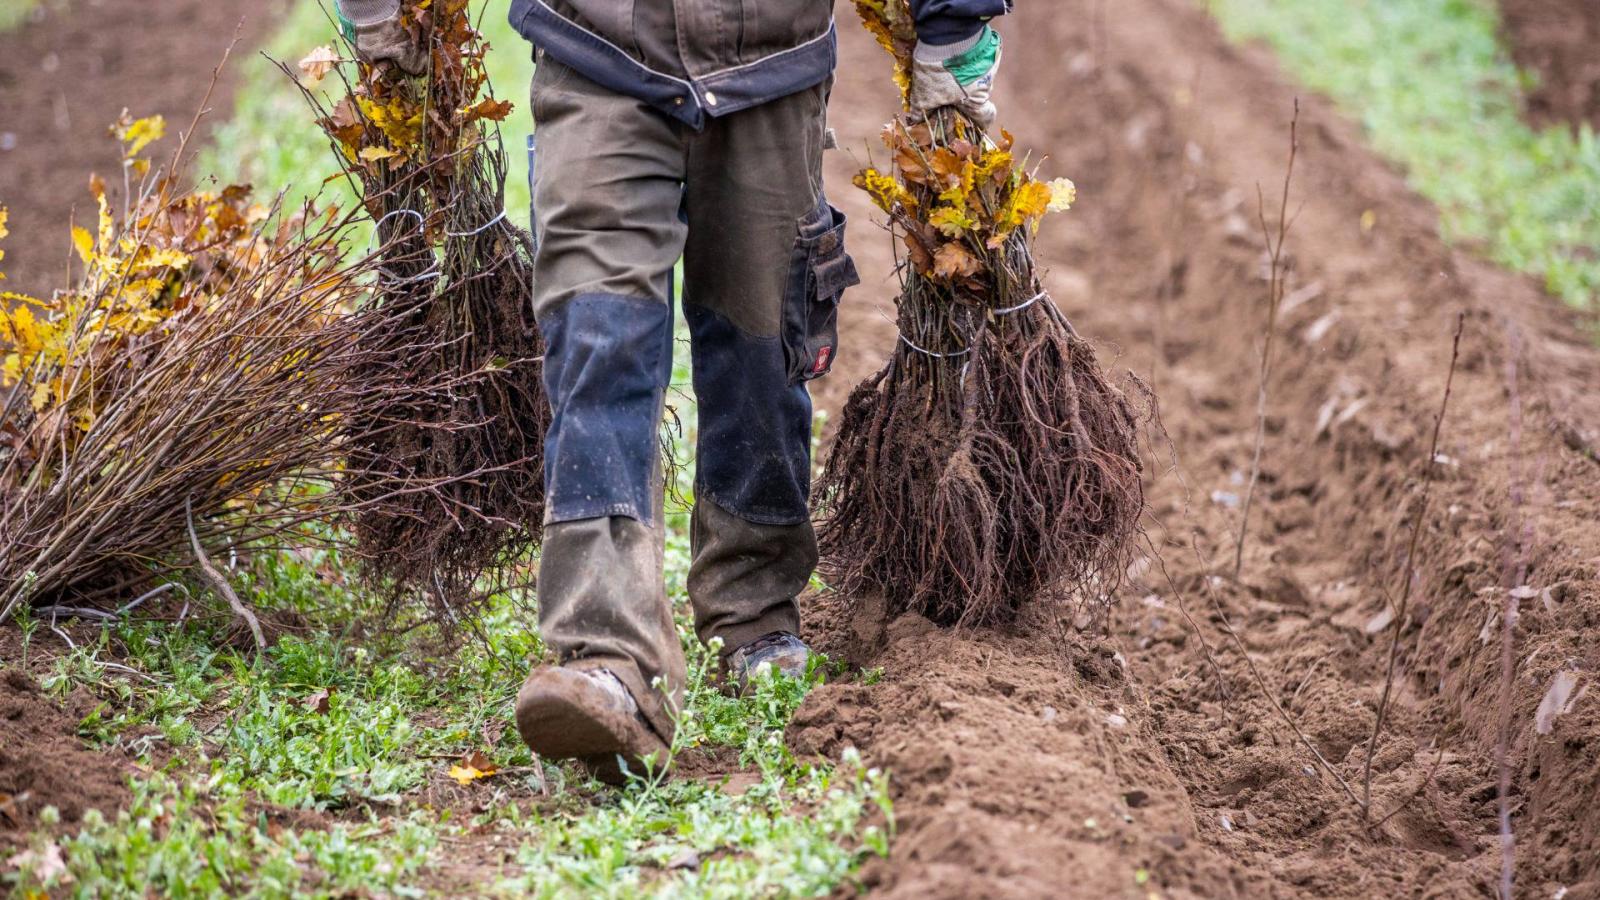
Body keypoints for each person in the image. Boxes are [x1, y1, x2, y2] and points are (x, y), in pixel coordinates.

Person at [335, 0, 1009, 782]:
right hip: (598, 55)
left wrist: (953, 19)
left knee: (761, 345)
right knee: (598, 339)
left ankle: (754, 611)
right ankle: (608, 652)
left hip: (771, 65)